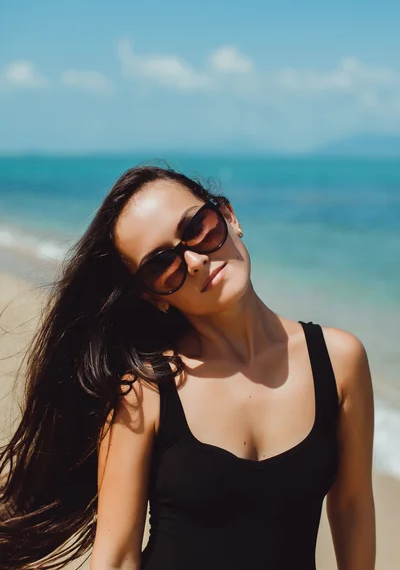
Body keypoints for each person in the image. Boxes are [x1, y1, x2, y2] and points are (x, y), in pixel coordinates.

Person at [0, 164, 375, 570]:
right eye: (162, 263)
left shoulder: (340, 361)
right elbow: (116, 558)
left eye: (198, 227)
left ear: (230, 217)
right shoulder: (143, 392)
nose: (195, 260)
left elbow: (352, 506)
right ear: (151, 295)